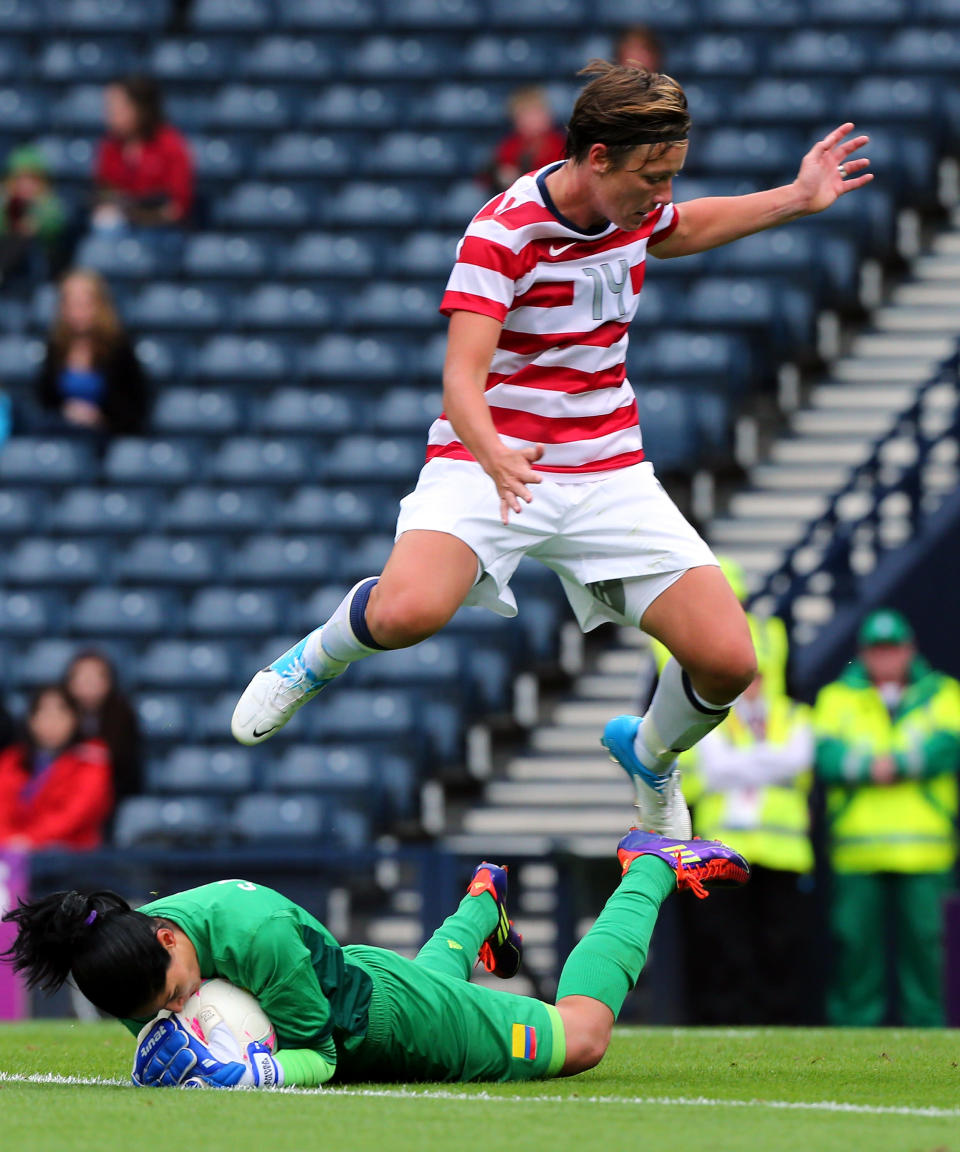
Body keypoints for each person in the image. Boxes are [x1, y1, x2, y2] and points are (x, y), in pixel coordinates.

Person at [231, 60, 872, 844]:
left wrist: (797, 199)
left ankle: (650, 754)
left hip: (605, 468)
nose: (662, 193)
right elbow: (460, 378)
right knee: (406, 612)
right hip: (487, 460)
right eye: (651, 175)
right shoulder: (503, 232)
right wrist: (497, 454)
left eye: (673, 173)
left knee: (728, 662)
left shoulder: (635, 207)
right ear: (596, 157)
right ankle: (313, 660)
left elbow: (682, 229)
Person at [2, 828, 749, 1087]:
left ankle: (649, 862)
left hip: (393, 1024)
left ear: (170, 940)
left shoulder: (252, 932)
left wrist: (247, 1074)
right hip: (357, 983)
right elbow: (169, 1028)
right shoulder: (127, 948)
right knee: (426, 976)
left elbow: (318, 1057)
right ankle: (483, 904)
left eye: (169, 998)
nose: (170, 1012)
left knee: (581, 1037)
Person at [813, 608, 960, 1027]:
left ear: (909, 650)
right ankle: (852, 1044)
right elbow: (826, 756)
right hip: (859, 851)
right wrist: (878, 767)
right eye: (877, 651)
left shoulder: (943, 692)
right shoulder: (837, 696)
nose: (886, 659)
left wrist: (887, 765)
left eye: (893, 649)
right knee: (856, 953)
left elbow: (948, 748)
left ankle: (932, 1042)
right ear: (863, 654)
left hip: (925, 852)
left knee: (928, 956)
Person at [679, 672, 815, 1024]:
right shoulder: (710, 718)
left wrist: (740, 762)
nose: (749, 686)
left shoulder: (793, 715)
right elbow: (712, 772)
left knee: (779, 946)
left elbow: (798, 762)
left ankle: (778, 1026)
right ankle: (725, 1023)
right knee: (724, 945)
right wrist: (771, 762)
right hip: (722, 853)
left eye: (756, 678)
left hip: (782, 853)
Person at [33, 268, 148, 437]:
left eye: (84, 304)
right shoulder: (55, 348)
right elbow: (45, 399)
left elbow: (134, 405)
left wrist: (98, 417)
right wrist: (67, 412)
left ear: (99, 305)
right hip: (62, 431)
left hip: (106, 437)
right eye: (71, 304)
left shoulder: (118, 349)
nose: (77, 312)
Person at [0, 685, 113, 851]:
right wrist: (8, 841)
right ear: (31, 720)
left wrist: (29, 841)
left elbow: (75, 814)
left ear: (75, 719)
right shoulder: (12, 759)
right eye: (44, 713)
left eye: (61, 713)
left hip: (71, 857)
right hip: (10, 854)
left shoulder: (92, 758)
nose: (52, 722)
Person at [93, 74, 193, 229]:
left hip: (163, 231)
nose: (108, 116)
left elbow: (178, 207)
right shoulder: (109, 146)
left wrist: (140, 214)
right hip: (121, 227)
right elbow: (104, 193)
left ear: (140, 109)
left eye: (115, 108)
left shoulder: (170, 145)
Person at [64, 649, 142, 805]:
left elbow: (128, 766)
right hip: (66, 793)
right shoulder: (59, 711)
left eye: (96, 676)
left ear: (109, 681)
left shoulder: (124, 715)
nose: (88, 683)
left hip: (113, 796)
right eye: (82, 676)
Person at [0, 144, 66, 288]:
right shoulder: (5, 201)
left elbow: (52, 227)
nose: (26, 184)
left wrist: (34, 218)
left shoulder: (48, 203)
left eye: (32, 179)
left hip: (38, 267)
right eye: (20, 179)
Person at [489, 86, 567, 193]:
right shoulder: (510, 146)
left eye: (537, 113)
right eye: (525, 116)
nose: (532, 121)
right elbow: (498, 175)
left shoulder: (560, 144)